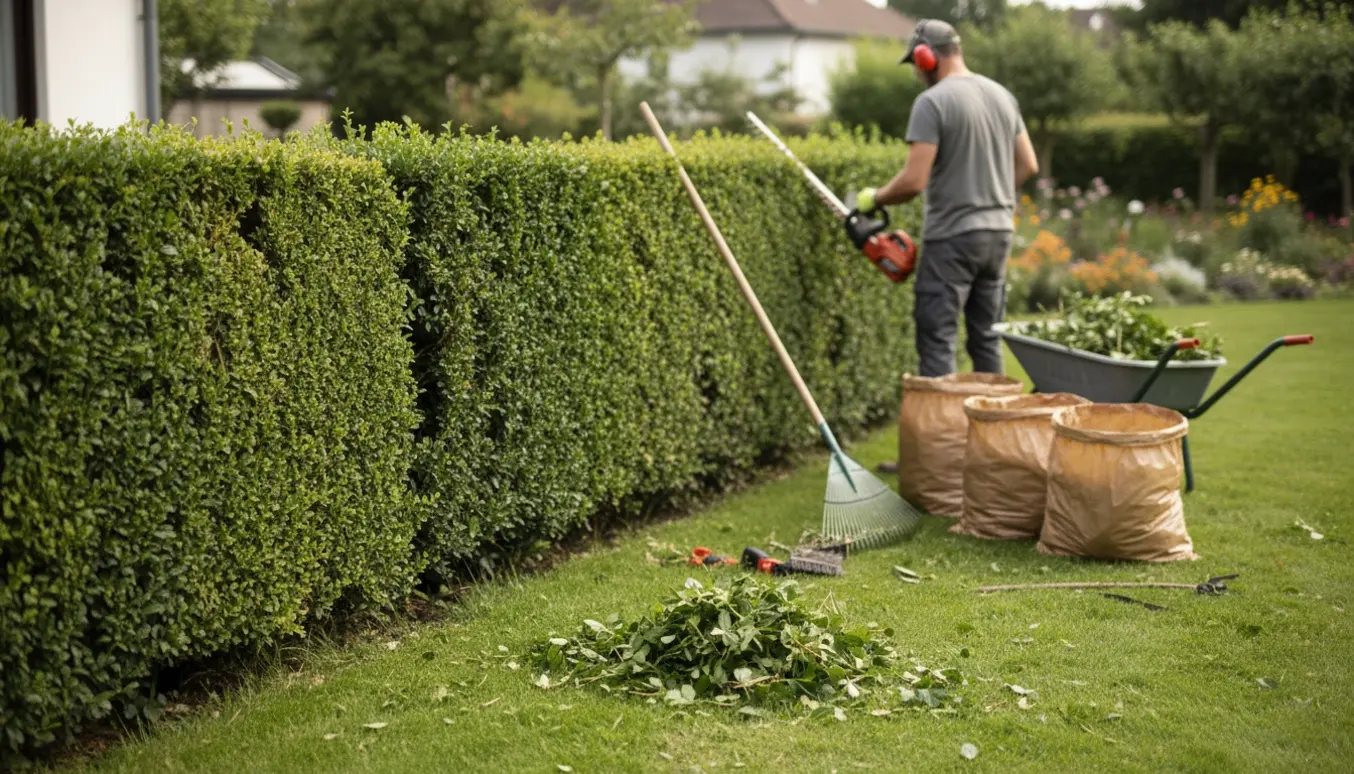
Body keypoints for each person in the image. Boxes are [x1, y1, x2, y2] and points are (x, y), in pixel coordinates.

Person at [855, 19, 1038, 474]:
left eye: (916, 65)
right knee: (986, 340)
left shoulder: (932, 102)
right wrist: (994, 199)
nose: (917, 74)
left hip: (953, 237)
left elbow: (913, 181)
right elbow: (1029, 164)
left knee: (937, 340)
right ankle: (993, 453)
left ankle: (939, 459)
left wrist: (872, 198)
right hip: (998, 234)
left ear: (926, 57)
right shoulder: (1001, 95)